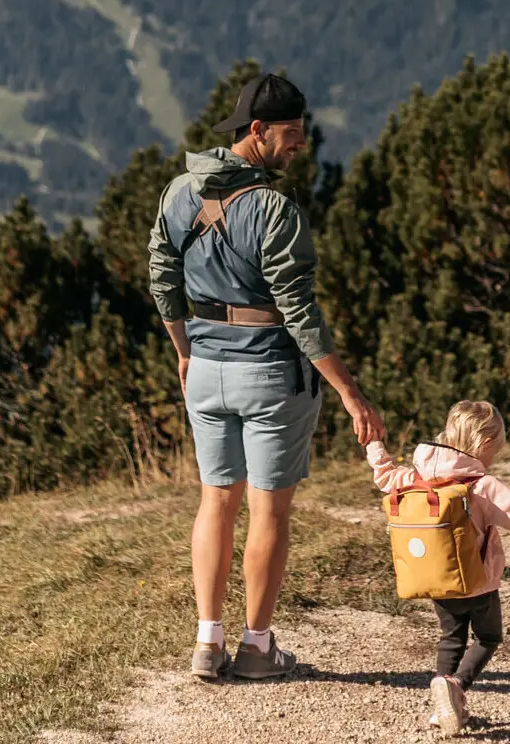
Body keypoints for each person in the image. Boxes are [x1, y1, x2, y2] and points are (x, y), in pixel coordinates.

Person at [148, 73, 385, 681]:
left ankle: (207, 641)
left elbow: (162, 280)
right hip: (269, 370)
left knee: (214, 501)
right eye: (291, 134)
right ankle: (256, 647)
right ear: (257, 131)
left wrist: (183, 350)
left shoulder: (178, 192)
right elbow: (298, 309)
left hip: (205, 366)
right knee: (269, 511)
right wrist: (348, 391)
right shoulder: (275, 209)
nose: (301, 145)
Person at [366, 401, 510, 734]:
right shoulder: (479, 486)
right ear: (484, 444)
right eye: (495, 449)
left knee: (451, 637)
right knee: (488, 637)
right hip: (478, 584)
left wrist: (374, 443)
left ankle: (444, 704)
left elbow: (384, 475)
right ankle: (455, 686)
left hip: (435, 579)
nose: (494, 456)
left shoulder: (415, 476)